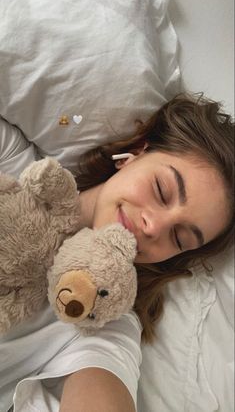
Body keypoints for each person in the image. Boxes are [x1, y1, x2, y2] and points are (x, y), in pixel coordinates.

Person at [0, 93, 234, 412]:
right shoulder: (13, 164)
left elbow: (104, 378)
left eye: (179, 237)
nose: (154, 226)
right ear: (134, 155)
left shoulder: (102, 320)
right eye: (162, 190)